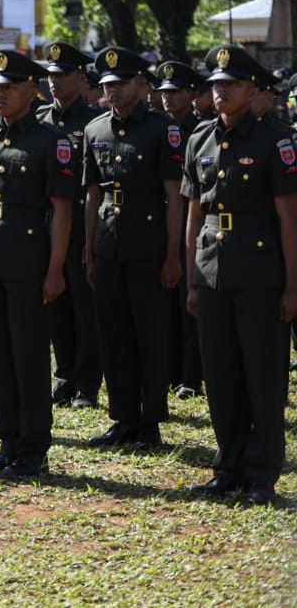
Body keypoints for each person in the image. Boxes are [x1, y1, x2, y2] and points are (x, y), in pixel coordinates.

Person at [183, 45, 297, 507]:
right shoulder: (199, 140)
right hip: (212, 271)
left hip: (261, 274)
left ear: (252, 90)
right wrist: (192, 279)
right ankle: (227, 467)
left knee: (263, 376)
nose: (221, 91)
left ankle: (262, 473)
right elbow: (194, 214)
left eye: (231, 84)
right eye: (216, 84)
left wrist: (292, 287)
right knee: (221, 374)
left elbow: (289, 219)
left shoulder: (275, 141)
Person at [0, 50, 73, 477]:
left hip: (29, 261)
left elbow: (61, 209)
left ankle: (33, 448)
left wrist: (55, 269)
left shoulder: (51, 141)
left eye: (10, 87)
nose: (0, 94)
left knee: (28, 355)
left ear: (32, 90)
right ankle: (8, 440)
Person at [82, 46, 183, 451]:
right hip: (109, 244)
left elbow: (174, 197)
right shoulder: (95, 130)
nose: (114, 90)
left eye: (122, 83)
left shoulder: (162, 129)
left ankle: (150, 421)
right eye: (108, 84)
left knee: (149, 334)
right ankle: (123, 417)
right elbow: (92, 196)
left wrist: (173, 255)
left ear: (142, 84)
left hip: (148, 245)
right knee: (114, 333)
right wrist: (89, 250)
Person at [37, 41, 103, 409]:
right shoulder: (39, 119)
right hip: (46, 228)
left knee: (85, 309)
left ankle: (87, 384)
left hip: (79, 227)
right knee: (55, 307)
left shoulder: (94, 121)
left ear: (81, 78)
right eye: (51, 75)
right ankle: (64, 376)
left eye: (62, 75)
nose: (55, 81)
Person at [155, 60, 207, 399]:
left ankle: (191, 375)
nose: (168, 98)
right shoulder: (156, 127)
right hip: (157, 222)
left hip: (192, 220)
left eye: (175, 92)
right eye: (164, 92)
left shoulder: (201, 131)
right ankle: (170, 371)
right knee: (164, 307)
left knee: (189, 302)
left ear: (192, 93)